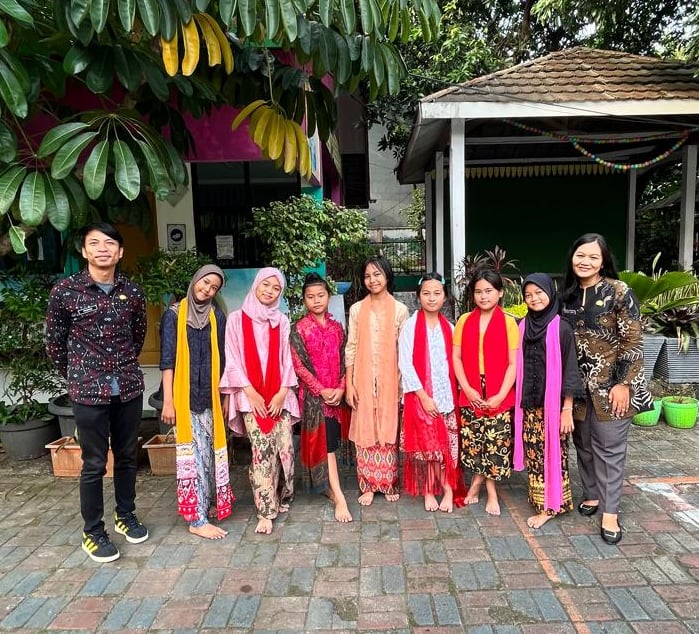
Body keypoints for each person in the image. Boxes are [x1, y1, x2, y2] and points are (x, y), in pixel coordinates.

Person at [46, 222, 148, 563]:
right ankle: (93, 532)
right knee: (94, 463)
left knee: (127, 456)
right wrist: (79, 375)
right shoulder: (65, 291)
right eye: (94, 243)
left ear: (120, 252)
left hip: (128, 387)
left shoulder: (132, 292)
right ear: (84, 251)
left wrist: (121, 367)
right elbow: (55, 343)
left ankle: (125, 515)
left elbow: (137, 336)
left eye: (109, 243)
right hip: (88, 391)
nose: (102, 248)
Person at [560, 233, 653, 545]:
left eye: (593, 257)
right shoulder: (567, 295)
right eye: (580, 255)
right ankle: (591, 494)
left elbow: (633, 340)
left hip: (612, 387)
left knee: (609, 449)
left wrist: (623, 384)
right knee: (583, 444)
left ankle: (610, 512)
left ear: (603, 262)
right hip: (577, 387)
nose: (585, 262)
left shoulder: (619, 291)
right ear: (572, 257)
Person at [219, 267, 299, 535]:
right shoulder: (236, 319)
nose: (270, 291)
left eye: (276, 288)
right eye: (266, 285)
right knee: (262, 451)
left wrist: (281, 392)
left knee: (285, 450)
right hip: (250, 397)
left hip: (280, 395)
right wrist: (250, 392)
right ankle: (266, 511)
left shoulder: (282, 321)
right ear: (256, 285)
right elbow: (232, 357)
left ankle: (282, 494)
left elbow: (287, 359)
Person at [159, 265, 234, 540]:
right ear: (195, 280)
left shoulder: (216, 316)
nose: (207, 289)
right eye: (205, 282)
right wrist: (168, 401)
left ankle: (205, 504)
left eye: (214, 287)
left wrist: (225, 397)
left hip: (210, 397)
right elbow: (167, 360)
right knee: (193, 457)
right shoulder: (173, 315)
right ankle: (197, 519)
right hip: (184, 398)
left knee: (209, 456)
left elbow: (224, 359)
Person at [513, 273, 584, 529]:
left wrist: (567, 409)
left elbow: (570, 370)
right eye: (528, 294)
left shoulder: (561, 328)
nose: (534, 298)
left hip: (553, 407)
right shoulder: (522, 326)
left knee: (553, 454)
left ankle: (551, 506)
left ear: (550, 293)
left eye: (539, 293)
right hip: (529, 404)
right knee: (535, 455)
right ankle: (541, 499)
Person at [453, 268, 519, 516]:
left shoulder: (509, 323)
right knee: (474, 442)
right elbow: (456, 357)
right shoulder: (464, 320)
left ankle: (487, 489)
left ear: (500, 293)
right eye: (478, 291)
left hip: (499, 389)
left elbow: (513, 363)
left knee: (494, 443)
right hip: (471, 388)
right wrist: (467, 388)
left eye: (489, 291)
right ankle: (479, 483)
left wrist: (501, 395)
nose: (483, 296)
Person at [399, 273, 466, 513]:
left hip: (446, 397)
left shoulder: (450, 328)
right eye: (426, 293)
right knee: (428, 447)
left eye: (437, 293)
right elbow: (405, 364)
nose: (432, 298)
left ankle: (447, 489)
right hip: (421, 397)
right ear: (418, 297)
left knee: (446, 446)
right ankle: (429, 490)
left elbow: (455, 363)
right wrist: (424, 397)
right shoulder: (410, 326)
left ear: (445, 297)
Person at [345, 255, 409, 506]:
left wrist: (402, 386)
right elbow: (351, 347)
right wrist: (349, 384)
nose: (372, 280)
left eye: (377, 274)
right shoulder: (357, 309)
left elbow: (404, 351)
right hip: (362, 380)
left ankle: (389, 482)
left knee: (387, 428)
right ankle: (368, 485)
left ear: (387, 276)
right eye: (367, 276)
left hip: (390, 380)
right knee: (365, 430)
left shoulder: (400, 310)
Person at [290, 273, 352, 522]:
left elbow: (346, 361)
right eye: (311, 297)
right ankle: (340, 497)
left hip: (336, 396)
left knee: (331, 443)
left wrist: (342, 387)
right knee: (327, 446)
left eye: (321, 295)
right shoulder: (299, 329)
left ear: (328, 297)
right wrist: (321, 390)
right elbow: (299, 366)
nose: (316, 300)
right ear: (304, 300)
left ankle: (327, 486)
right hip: (314, 398)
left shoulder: (337, 328)